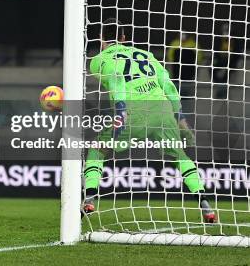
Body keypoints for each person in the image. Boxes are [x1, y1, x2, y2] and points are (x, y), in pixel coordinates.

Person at [83, 18, 216, 223]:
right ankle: (204, 202)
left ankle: (89, 197)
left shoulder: (97, 61)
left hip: (132, 111)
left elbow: (116, 78)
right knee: (180, 156)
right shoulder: (146, 55)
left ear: (101, 38)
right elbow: (168, 85)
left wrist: (120, 110)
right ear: (124, 38)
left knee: (97, 149)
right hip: (162, 110)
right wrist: (181, 121)